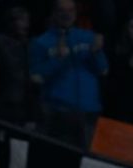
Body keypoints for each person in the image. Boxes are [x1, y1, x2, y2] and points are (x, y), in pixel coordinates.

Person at [29, 0, 109, 148]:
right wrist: (58, 60)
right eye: (62, 10)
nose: (67, 14)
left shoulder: (88, 37)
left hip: (88, 110)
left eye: (71, 10)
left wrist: (96, 53)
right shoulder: (41, 42)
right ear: (54, 13)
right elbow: (36, 77)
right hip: (58, 112)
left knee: (88, 159)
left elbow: (103, 70)